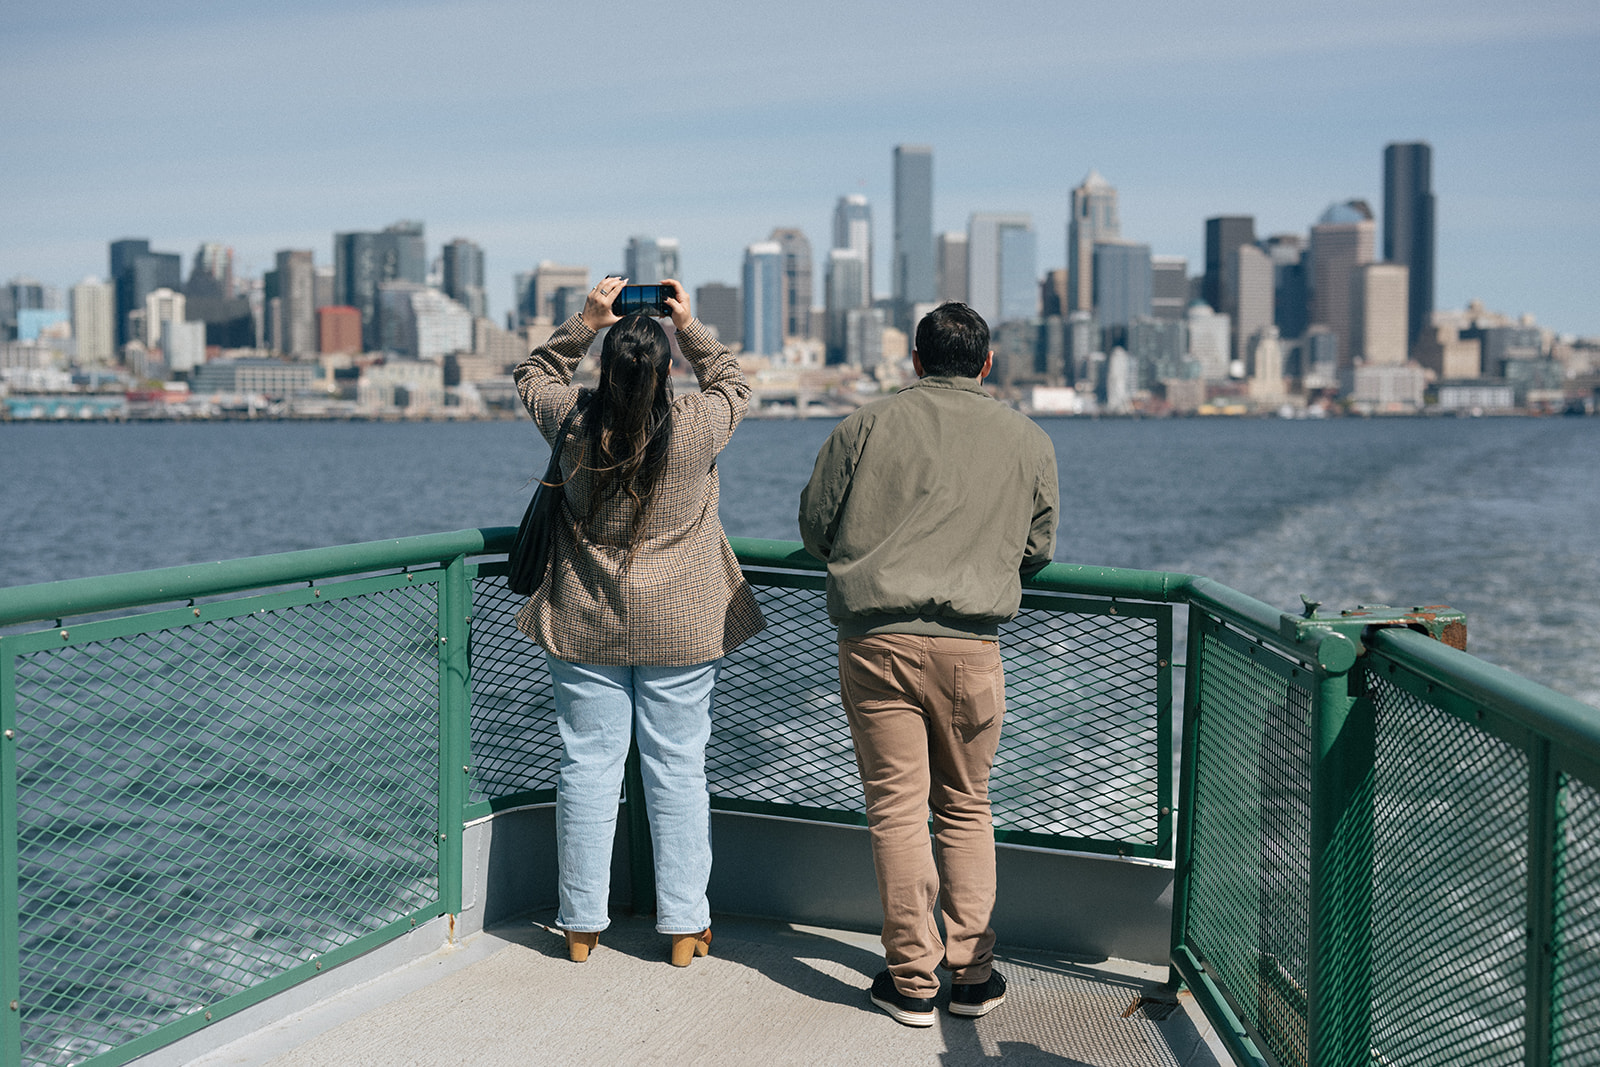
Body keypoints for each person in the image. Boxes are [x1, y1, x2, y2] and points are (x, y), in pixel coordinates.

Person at [797, 301, 1058, 1026]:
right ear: (987, 363)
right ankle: (972, 976)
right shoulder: (1029, 439)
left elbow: (817, 527)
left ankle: (912, 979)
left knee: (897, 808)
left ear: (914, 360)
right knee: (967, 804)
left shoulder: (863, 425)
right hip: (973, 649)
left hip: (877, 642)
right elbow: (1038, 550)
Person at [514, 277, 764, 966]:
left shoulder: (571, 420)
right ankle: (684, 926)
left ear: (604, 367)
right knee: (678, 769)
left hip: (585, 620)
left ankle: (581, 927)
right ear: (665, 372)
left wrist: (586, 321)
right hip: (682, 626)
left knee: (588, 766)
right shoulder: (696, 426)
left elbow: (534, 372)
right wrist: (690, 328)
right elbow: (734, 382)